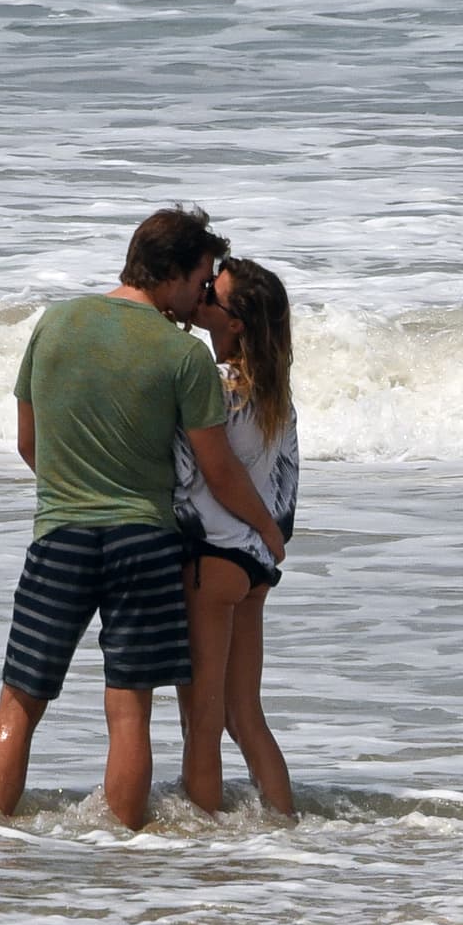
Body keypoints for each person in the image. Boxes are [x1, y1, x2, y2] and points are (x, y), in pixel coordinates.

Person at [0, 207, 285, 831]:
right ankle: (125, 864)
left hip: (60, 532)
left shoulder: (55, 323)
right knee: (129, 713)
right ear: (171, 273)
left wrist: (73, 489)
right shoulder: (182, 356)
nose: (201, 296)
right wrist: (271, 530)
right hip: (144, 543)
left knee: (18, 702)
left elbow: (28, 442)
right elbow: (218, 469)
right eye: (200, 281)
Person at [174, 257, 299, 817]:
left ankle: (202, 843)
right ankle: (284, 823)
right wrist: (273, 540)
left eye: (213, 299)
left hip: (212, 558)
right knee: (244, 715)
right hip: (253, 567)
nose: (202, 299)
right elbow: (287, 479)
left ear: (237, 323)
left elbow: (194, 473)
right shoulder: (273, 394)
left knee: (202, 720)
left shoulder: (217, 389)